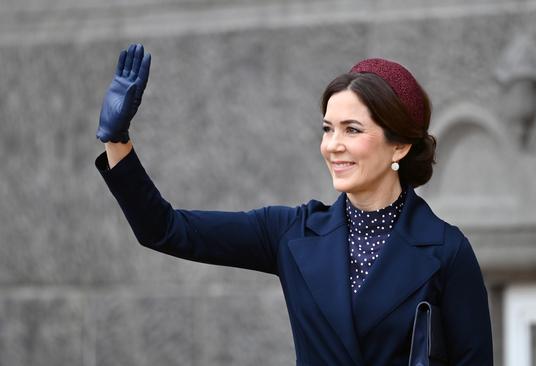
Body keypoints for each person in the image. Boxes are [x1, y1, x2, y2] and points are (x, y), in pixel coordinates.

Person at [95, 43, 493, 365]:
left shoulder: (447, 250)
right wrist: (118, 140)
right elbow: (165, 229)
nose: (332, 145)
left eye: (351, 130)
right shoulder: (292, 233)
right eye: (327, 129)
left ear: (400, 145)